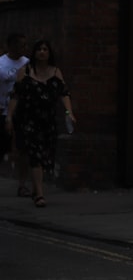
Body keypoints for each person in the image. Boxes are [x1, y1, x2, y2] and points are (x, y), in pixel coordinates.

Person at [5, 39, 75, 208]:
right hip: (28, 120)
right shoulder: (25, 72)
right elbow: (16, 96)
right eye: (39, 49)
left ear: (49, 53)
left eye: (45, 49)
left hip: (48, 121)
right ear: (34, 53)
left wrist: (69, 112)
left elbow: (64, 94)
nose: (42, 52)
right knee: (35, 155)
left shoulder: (56, 72)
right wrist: (9, 116)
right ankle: (40, 195)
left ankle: (36, 189)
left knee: (45, 156)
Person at [0, 33, 28, 193]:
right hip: (2, 110)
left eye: (25, 45)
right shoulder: (1, 64)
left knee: (22, 149)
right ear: (11, 46)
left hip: (22, 111)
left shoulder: (28, 63)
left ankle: (22, 184)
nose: (24, 48)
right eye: (21, 45)